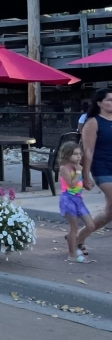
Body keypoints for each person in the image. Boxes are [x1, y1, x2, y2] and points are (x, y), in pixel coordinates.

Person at [80, 87, 112, 241]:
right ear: (99, 103)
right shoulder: (93, 122)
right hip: (102, 169)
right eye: (109, 100)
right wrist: (86, 176)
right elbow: (88, 151)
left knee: (109, 213)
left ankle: (78, 237)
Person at [58, 142, 95, 262]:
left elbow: (78, 183)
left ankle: (74, 240)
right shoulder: (64, 168)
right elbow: (72, 184)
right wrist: (79, 171)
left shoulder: (78, 166)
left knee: (91, 225)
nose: (78, 156)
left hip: (78, 199)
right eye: (75, 154)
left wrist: (87, 184)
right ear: (67, 155)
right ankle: (72, 254)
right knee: (74, 227)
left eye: (80, 154)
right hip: (68, 199)